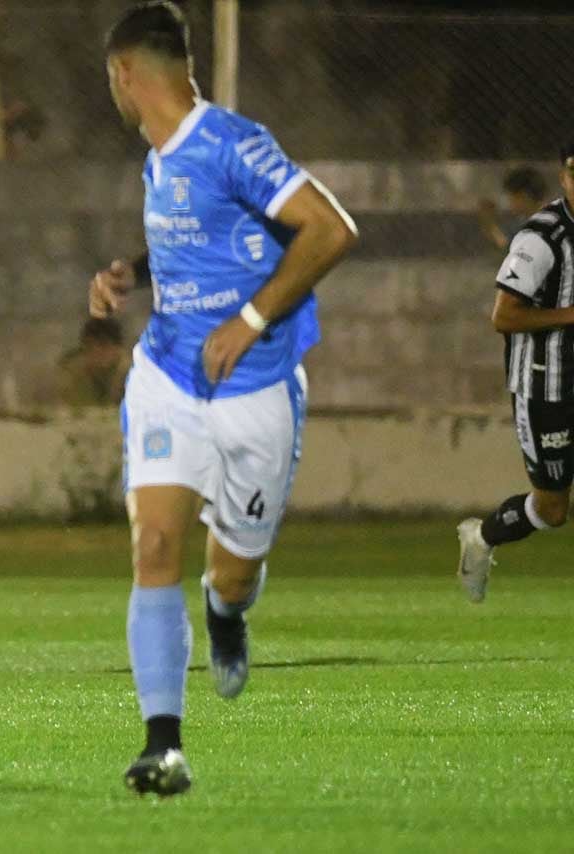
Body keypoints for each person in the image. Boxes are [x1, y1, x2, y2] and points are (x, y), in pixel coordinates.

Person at [90, 2, 357, 797]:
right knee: (153, 550)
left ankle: (227, 612)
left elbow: (331, 229)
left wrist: (250, 318)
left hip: (257, 389)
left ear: (125, 76)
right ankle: (162, 745)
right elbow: (192, 234)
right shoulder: (160, 157)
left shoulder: (230, 142)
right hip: (169, 376)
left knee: (232, 574)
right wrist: (132, 274)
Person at [457, 142, 574, 602]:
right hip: (546, 388)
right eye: (571, 171)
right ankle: (482, 538)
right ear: (563, 177)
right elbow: (504, 317)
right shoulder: (541, 237)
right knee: (552, 508)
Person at [56, 316, 132, 407]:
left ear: (118, 349)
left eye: (104, 345)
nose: (97, 352)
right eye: (90, 347)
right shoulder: (71, 371)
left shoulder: (132, 372)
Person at [478, 167, 548, 253]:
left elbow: (508, 247)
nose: (510, 203)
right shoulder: (524, 220)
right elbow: (503, 241)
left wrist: (489, 220)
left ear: (524, 197)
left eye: (511, 198)